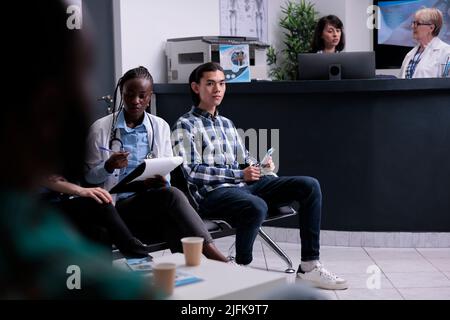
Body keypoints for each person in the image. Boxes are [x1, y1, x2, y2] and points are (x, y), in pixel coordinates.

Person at [0, 1, 153, 298]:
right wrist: (83, 188)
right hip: (55, 203)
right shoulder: (30, 249)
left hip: (61, 203)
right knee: (98, 202)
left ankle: (137, 253)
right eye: (79, 74)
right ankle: (137, 255)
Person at [172, 62, 348, 290]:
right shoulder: (184, 126)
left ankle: (309, 266)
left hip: (245, 186)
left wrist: (261, 166)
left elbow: (245, 158)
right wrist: (240, 173)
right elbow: (192, 172)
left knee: (309, 185)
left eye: (222, 83)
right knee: (256, 205)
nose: (218, 89)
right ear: (196, 87)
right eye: (211, 83)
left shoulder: (226, 124)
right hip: (214, 194)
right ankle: (240, 271)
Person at [84, 66, 228, 263]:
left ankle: (191, 273)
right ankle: (215, 258)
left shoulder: (159, 126)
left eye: (142, 96)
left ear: (150, 97)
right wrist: (108, 166)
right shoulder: (100, 129)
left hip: (148, 202)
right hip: (115, 208)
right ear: (122, 94)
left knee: (172, 211)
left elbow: (165, 169)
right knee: (173, 197)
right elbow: (88, 178)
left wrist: (161, 181)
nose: (136, 101)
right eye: (129, 95)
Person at [42, 175, 152, 258]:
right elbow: (44, 178)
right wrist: (80, 190)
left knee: (101, 231)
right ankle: (137, 252)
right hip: (39, 206)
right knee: (97, 200)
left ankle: (104, 279)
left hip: (63, 201)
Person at [399, 7, 450, 78]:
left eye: (417, 23)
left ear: (431, 28)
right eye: (413, 23)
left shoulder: (446, 52)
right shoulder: (410, 55)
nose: (413, 26)